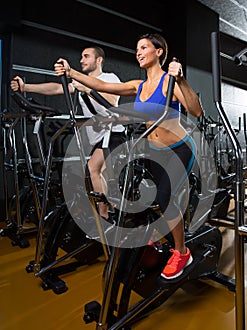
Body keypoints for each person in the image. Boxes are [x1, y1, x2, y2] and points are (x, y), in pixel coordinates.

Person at [54, 33, 203, 280]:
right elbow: (102, 86)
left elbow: (196, 111)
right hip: (152, 151)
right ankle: (151, 237)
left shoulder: (170, 82)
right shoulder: (139, 86)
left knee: (165, 196)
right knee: (133, 191)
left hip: (178, 150)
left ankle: (181, 252)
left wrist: (182, 80)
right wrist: (71, 72)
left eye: (144, 47)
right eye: (137, 49)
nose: (139, 52)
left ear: (159, 52)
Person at [10, 45, 125, 221]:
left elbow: (112, 100)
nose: (81, 60)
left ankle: (104, 217)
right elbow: (56, 89)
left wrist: (88, 89)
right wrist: (26, 87)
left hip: (114, 133)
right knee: (103, 176)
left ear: (99, 60)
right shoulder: (81, 81)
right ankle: (112, 211)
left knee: (93, 169)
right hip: (98, 138)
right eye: (81, 57)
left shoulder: (109, 78)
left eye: (86, 56)